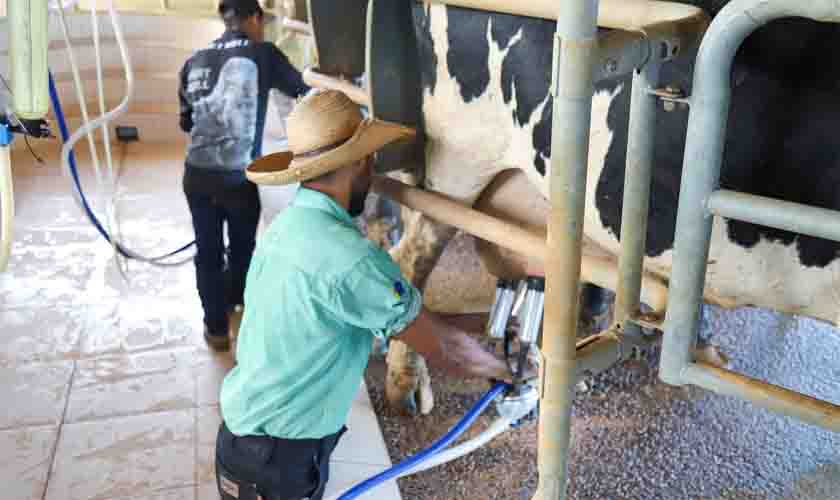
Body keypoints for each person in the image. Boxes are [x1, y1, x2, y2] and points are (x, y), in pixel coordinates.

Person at [215, 90, 528, 500]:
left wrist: (486, 324)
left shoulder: (288, 228)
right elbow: (441, 348)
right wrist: (507, 373)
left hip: (246, 443)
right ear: (362, 162)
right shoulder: (350, 260)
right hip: (276, 464)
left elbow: (409, 322)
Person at [178, 0, 310, 351]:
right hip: (237, 178)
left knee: (207, 253)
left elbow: (187, 123)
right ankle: (241, 308)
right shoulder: (262, 52)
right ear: (254, 18)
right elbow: (303, 90)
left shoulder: (194, 59)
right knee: (242, 249)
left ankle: (216, 330)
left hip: (196, 176)